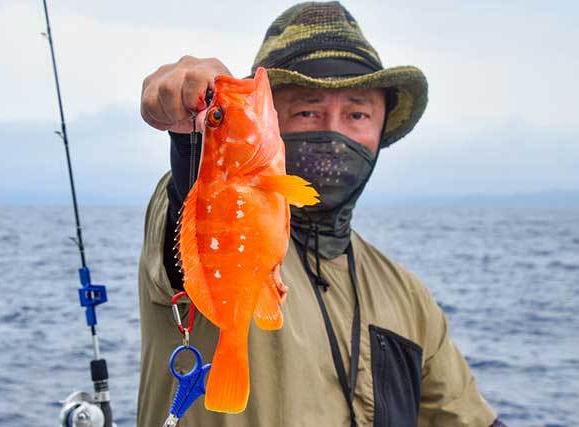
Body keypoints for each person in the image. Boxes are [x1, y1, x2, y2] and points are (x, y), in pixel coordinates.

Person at [137, 2, 506, 426]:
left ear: (382, 128)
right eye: (308, 110)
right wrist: (192, 136)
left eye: (357, 113)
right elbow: (194, 209)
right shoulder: (194, 201)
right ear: (272, 118)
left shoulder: (408, 299)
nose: (333, 131)